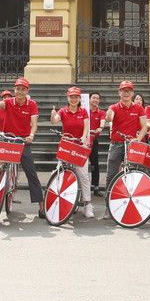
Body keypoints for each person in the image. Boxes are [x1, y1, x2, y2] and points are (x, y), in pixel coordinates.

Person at [0, 78, 43, 216]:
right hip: (6, 139)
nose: (20, 92)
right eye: (18, 89)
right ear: (14, 90)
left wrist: (31, 136)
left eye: (23, 89)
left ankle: (41, 206)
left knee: (32, 174)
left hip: (22, 142)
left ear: (27, 91)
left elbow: (34, 124)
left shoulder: (32, 104)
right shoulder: (9, 102)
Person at [50, 87, 93, 218]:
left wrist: (84, 137)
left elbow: (86, 126)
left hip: (79, 146)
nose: (74, 99)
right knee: (62, 173)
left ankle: (88, 205)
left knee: (83, 176)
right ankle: (65, 200)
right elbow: (54, 121)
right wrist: (53, 114)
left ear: (79, 99)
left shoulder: (83, 111)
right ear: (67, 98)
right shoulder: (63, 111)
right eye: (71, 97)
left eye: (76, 97)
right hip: (67, 145)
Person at [103, 81, 149, 199]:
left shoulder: (138, 108)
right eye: (124, 90)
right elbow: (110, 117)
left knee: (131, 173)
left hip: (131, 145)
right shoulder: (114, 107)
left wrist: (137, 139)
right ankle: (109, 203)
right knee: (111, 174)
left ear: (132, 93)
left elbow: (144, 126)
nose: (126, 93)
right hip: (116, 144)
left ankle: (130, 200)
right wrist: (108, 116)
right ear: (119, 92)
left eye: (129, 91)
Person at [87, 92, 106, 196]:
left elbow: (103, 122)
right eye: (93, 98)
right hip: (83, 140)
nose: (95, 100)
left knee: (95, 164)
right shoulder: (85, 111)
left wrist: (100, 127)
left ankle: (96, 187)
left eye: (97, 98)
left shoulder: (101, 112)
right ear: (89, 99)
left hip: (93, 140)